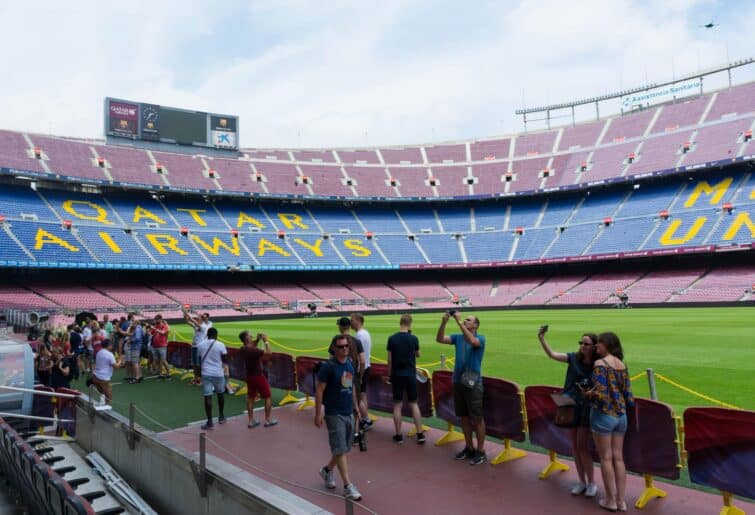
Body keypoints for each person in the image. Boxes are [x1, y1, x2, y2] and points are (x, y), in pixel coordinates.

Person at [537, 325, 598, 497]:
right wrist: (542, 339)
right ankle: (581, 482)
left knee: (582, 446)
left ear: (594, 346)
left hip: (586, 407)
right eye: (581, 343)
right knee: (576, 447)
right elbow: (553, 355)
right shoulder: (573, 358)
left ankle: (592, 483)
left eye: (586, 344)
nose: (582, 346)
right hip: (570, 405)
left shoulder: (598, 364)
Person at [581, 332, 635, 513]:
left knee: (606, 458)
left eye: (600, 344)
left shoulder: (600, 364)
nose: (597, 346)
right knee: (618, 457)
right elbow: (629, 395)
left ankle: (611, 500)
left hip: (603, 416)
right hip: (621, 417)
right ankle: (621, 500)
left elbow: (600, 394)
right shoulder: (622, 364)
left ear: (608, 345)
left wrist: (588, 395)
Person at [436, 311, 487, 465]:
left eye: (468, 320)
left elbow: (473, 342)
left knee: (477, 418)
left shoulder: (481, 338)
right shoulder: (457, 338)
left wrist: (458, 322)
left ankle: (481, 451)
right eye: (464, 320)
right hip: (458, 381)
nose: (465, 321)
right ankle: (469, 447)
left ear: (476, 325)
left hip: (473, 382)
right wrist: (444, 322)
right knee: (463, 417)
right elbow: (439, 339)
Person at [315, 335, 362, 501]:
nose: (345, 349)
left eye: (346, 346)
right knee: (341, 449)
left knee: (343, 448)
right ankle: (348, 485)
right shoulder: (328, 367)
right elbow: (319, 390)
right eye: (341, 347)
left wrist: (355, 405)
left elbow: (349, 386)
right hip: (334, 413)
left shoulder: (349, 363)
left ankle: (327, 471)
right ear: (334, 348)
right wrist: (318, 413)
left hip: (348, 410)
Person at [385, 314, 425, 444]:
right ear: (410, 324)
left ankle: (398, 435)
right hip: (410, 375)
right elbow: (418, 355)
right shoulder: (413, 338)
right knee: (414, 403)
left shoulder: (392, 338)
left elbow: (389, 360)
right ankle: (420, 434)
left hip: (397, 375)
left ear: (400, 322)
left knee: (397, 405)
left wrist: (389, 375)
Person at [239, 330, 277, 428]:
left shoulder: (243, 348)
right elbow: (269, 353)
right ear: (247, 338)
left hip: (249, 376)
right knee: (268, 396)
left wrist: (257, 339)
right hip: (258, 376)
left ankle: (251, 421)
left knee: (251, 397)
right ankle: (268, 420)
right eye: (249, 336)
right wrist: (266, 341)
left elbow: (251, 346)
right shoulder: (254, 351)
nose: (251, 336)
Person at [197, 327, 228, 430]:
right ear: (216, 335)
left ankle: (210, 421)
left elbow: (199, 359)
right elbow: (225, 360)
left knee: (208, 396)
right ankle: (221, 416)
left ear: (207, 335)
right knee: (220, 394)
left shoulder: (200, 345)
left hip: (206, 372)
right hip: (218, 373)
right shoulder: (221, 345)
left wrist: (198, 374)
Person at [351, 313, 373, 430]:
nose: (351, 322)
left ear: (358, 321)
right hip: (366, 366)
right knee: (363, 394)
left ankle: (365, 419)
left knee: (357, 396)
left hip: (361, 368)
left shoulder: (359, 335)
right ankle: (365, 418)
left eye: (352, 320)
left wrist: (359, 373)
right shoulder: (366, 333)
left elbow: (359, 357)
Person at [184, 309, 212, 385]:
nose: (197, 318)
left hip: (199, 347)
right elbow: (189, 322)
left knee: (199, 364)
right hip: (194, 347)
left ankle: (202, 379)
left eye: (198, 318)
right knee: (194, 364)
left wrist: (190, 317)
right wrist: (185, 315)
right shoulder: (198, 326)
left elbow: (194, 322)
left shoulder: (203, 326)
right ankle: (196, 378)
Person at [91, 339, 124, 405]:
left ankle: (102, 401)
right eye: (111, 345)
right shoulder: (109, 354)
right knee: (109, 395)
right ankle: (107, 409)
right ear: (108, 346)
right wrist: (120, 360)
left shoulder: (99, 352)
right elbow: (116, 367)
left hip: (95, 377)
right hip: (104, 378)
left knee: (102, 393)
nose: (112, 346)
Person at [150, 315, 170, 379]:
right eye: (155, 319)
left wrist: (154, 329)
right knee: (157, 360)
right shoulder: (156, 325)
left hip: (162, 346)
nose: (155, 321)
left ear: (160, 319)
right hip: (155, 346)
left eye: (156, 319)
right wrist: (150, 328)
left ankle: (168, 373)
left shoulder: (164, 326)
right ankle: (160, 373)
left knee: (163, 360)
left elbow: (163, 332)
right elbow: (151, 333)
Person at [125, 317, 144, 384]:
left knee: (134, 362)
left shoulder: (137, 329)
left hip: (135, 347)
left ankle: (136, 377)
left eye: (132, 323)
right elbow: (142, 335)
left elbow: (137, 338)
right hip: (138, 347)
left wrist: (130, 341)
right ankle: (140, 375)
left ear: (135, 323)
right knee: (137, 362)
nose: (131, 324)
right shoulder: (139, 328)